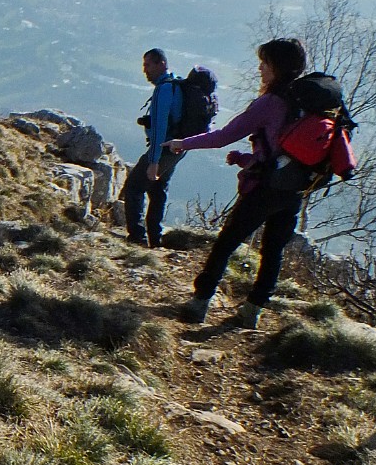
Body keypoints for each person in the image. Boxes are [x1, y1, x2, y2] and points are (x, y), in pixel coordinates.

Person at [165, 37, 309, 329]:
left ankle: (198, 304)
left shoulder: (270, 103)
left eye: (265, 63)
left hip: (265, 189)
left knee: (226, 244)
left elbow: (222, 136)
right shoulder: (304, 102)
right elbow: (283, 151)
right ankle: (252, 312)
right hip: (295, 188)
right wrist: (246, 159)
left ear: (277, 68)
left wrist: (182, 142)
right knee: (272, 251)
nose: (260, 68)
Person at [121, 48, 184, 248]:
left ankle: (137, 237)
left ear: (161, 64)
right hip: (178, 149)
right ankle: (155, 239)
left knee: (134, 186)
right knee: (158, 190)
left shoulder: (164, 89)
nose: (144, 70)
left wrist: (153, 160)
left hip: (163, 148)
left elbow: (159, 127)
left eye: (148, 65)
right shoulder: (177, 85)